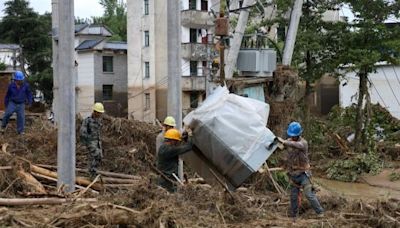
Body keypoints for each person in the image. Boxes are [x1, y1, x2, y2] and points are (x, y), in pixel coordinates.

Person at [277, 121, 324, 222]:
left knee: (309, 194)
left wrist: (284, 142)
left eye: (294, 136)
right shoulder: (289, 141)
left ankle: (320, 212)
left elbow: (295, 144)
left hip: (304, 174)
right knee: (293, 196)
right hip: (294, 174)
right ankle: (294, 215)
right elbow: (285, 150)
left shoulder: (303, 143)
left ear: (299, 135)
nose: (293, 137)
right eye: (291, 136)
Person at [157, 128, 192, 192]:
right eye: (176, 141)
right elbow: (188, 147)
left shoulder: (163, 147)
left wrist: (184, 137)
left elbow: (178, 146)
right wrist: (190, 137)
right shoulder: (170, 150)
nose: (177, 143)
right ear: (172, 140)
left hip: (163, 178)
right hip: (169, 180)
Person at [80, 103, 105, 178]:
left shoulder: (99, 121)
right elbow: (82, 133)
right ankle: (91, 173)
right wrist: (88, 141)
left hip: (97, 142)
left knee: (99, 156)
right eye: (99, 113)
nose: (100, 114)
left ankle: (93, 172)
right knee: (96, 155)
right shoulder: (87, 121)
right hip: (90, 142)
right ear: (95, 112)